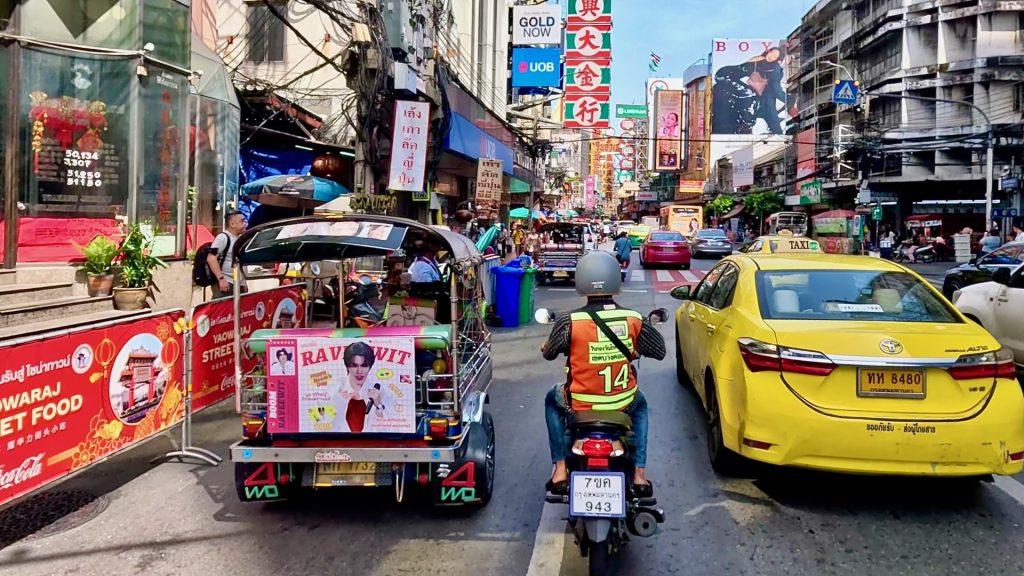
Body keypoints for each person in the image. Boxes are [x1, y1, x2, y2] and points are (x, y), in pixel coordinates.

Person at [541, 251, 666, 496]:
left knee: (550, 399)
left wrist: (548, 348)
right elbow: (659, 351)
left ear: (582, 282)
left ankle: (559, 468)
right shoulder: (633, 319)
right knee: (641, 407)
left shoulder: (569, 321)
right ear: (614, 280)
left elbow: (549, 353)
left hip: (578, 405)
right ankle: (639, 474)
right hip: (623, 403)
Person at [339, 342, 387, 433]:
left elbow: (390, 427)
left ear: (370, 366)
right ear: (347, 366)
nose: (359, 371)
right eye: (354, 365)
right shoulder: (335, 391)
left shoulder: (379, 391)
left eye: (364, 365)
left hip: (372, 444)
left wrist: (378, 405)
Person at [208, 211, 248, 298]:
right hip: (226, 283)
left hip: (238, 284)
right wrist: (221, 279)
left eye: (245, 221)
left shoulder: (240, 239)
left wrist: (243, 283)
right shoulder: (222, 238)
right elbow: (211, 258)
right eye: (242, 221)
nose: (245, 224)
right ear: (232, 224)